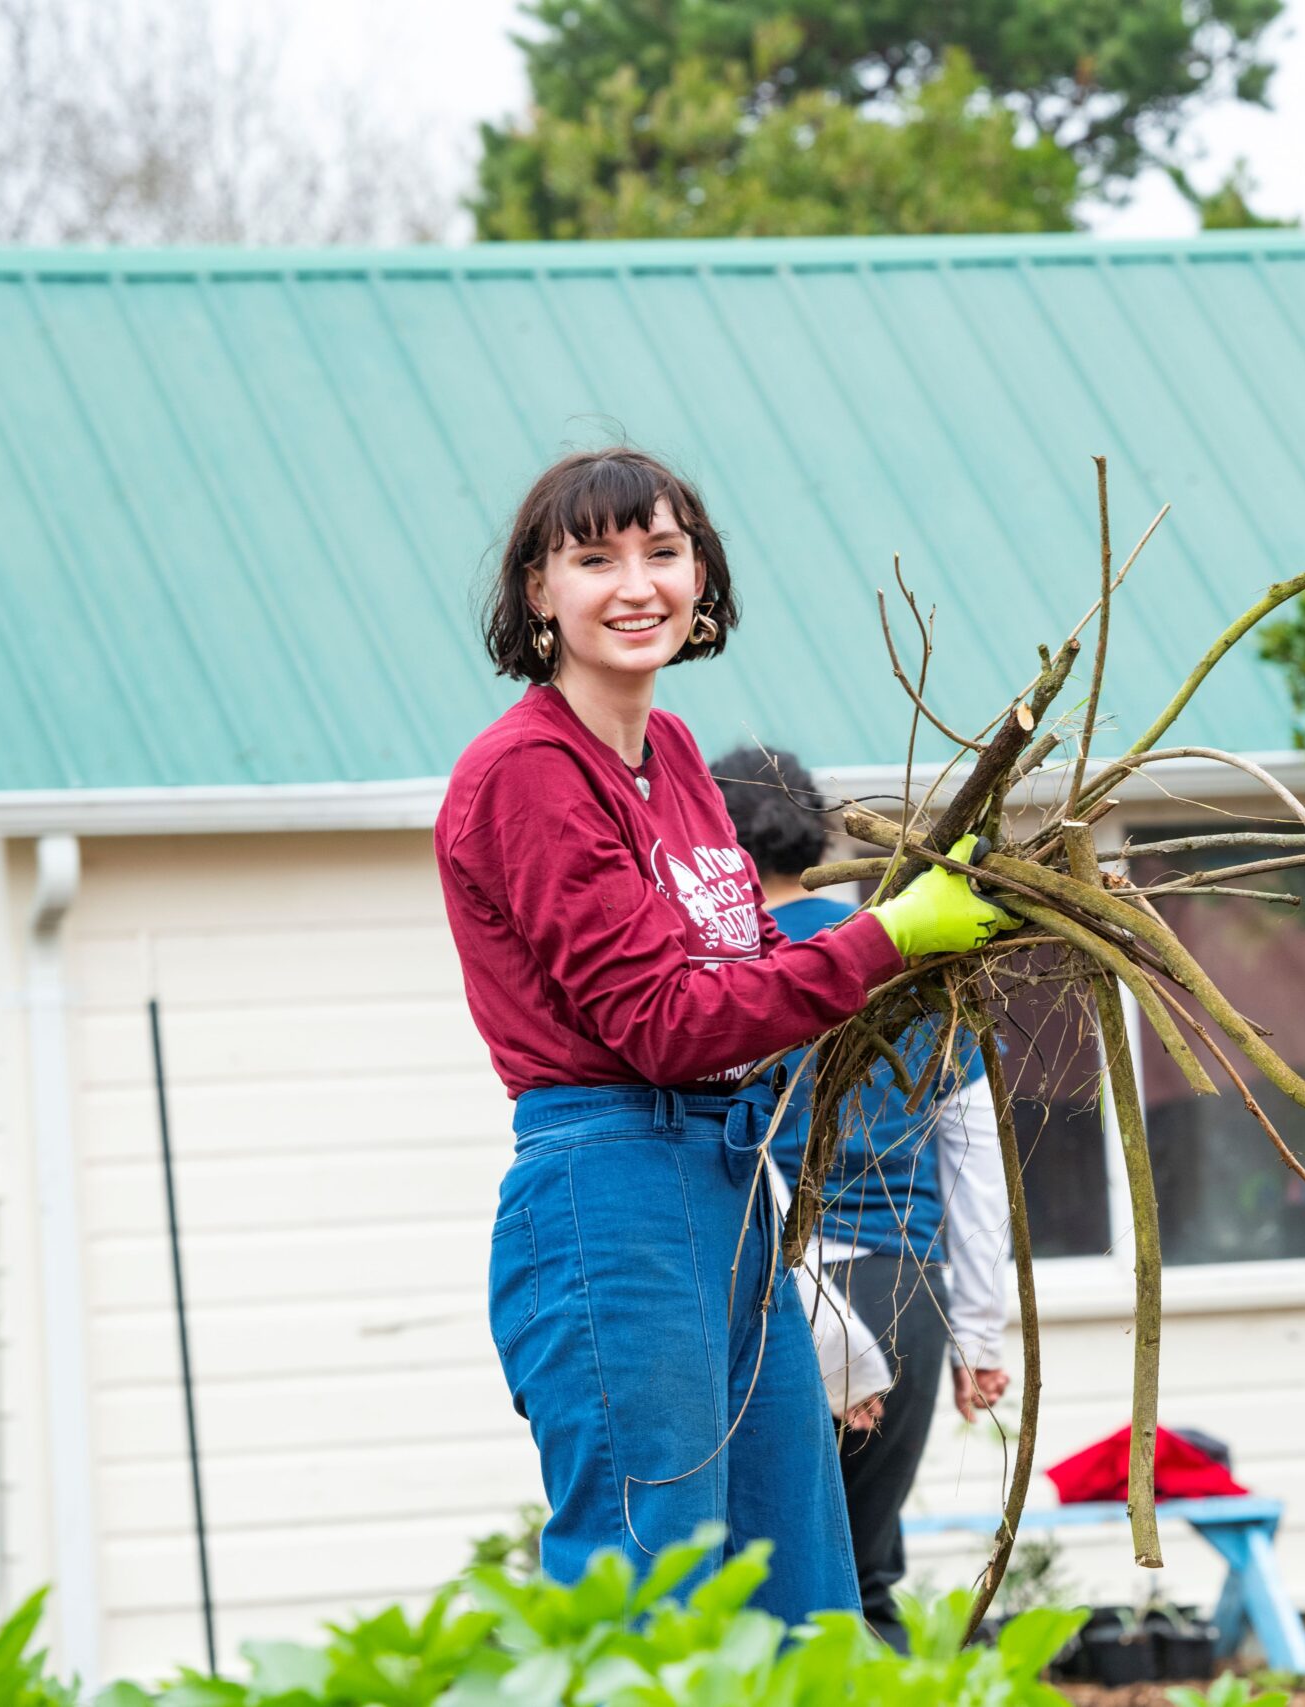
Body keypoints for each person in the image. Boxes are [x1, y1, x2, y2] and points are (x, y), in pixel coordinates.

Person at [432, 447, 1014, 1622]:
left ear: (701, 574)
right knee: (662, 1598)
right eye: (594, 559)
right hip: (614, 1197)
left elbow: (746, 977)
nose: (634, 583)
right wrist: (883, 940)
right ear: (537, 592)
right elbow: (662, 1023)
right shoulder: (528, 775)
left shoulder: (682, 759)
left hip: (732, 1189)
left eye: (661, 551)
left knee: (804, 1597)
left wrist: (894, 965)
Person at [717, 743, 1015, 1651]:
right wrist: (980, 1331)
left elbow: (736, 1155)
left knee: (772, 1594)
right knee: (867, 1579)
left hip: (787, 1299)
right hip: (909, 1295)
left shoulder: (743, 970)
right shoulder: (905, 959)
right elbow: (974, 1155)